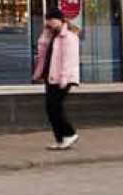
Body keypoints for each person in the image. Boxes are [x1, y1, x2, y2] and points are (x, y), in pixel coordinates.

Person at [33, 4, 82, 150]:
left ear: (60, 20)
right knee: (51, 109)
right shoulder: (51, 35)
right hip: (51, 76)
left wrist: (64, 79)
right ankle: (60, 139)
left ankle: (70, 133)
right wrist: (46, 34)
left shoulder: (69, 37)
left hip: (62, 78)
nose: (49, 23)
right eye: (48, 20)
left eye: (52, 20)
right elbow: (42, 51)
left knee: (55, 108)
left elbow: (69, 60)